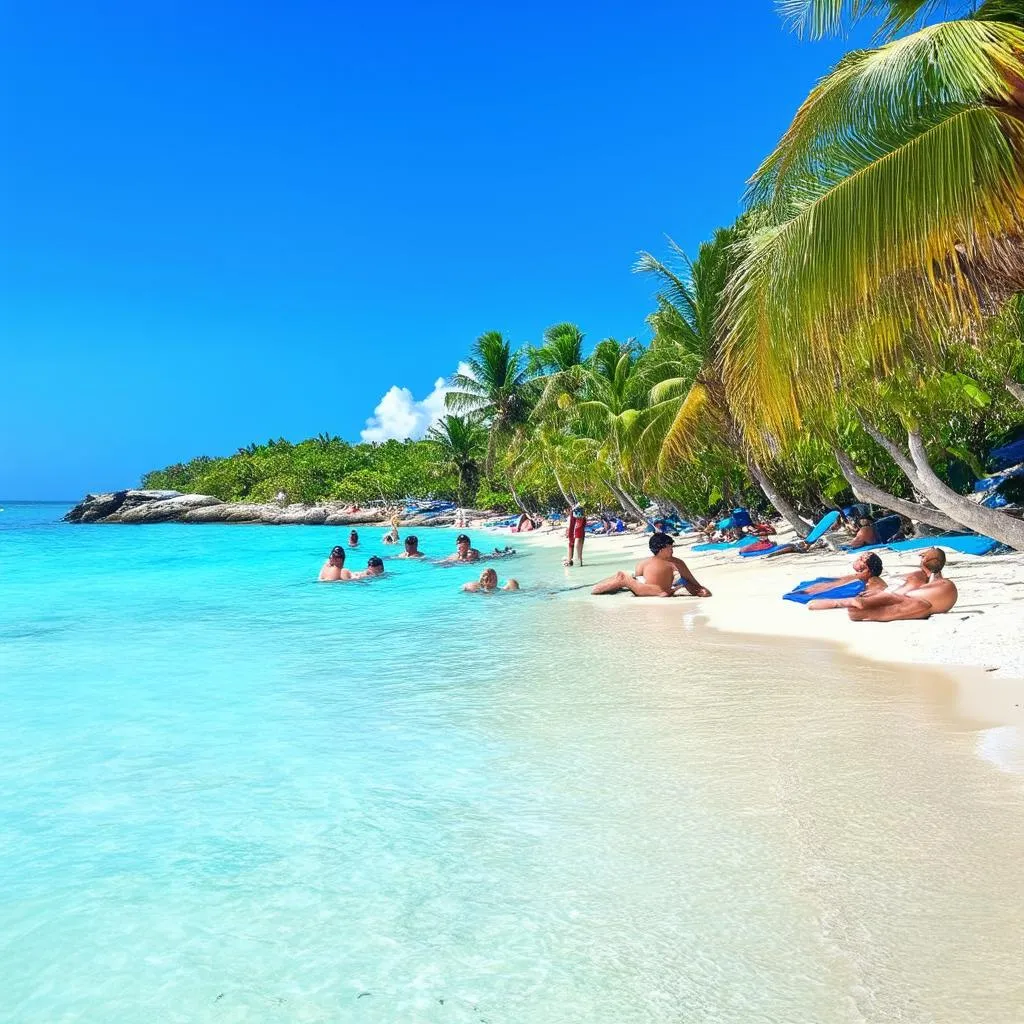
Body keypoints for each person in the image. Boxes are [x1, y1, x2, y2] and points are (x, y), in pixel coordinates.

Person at [848, 548, 958, 621]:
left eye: (924, 555)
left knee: (855, 610)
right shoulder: (933, 579)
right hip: (936, 597)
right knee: (856, 610)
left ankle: (865, 608)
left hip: (927, 600)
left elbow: (900, 594)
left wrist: (882, 592)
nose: (920, 554)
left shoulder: (920, 577)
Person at [591, 533, 712, 597]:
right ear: (661, 549)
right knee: (623, 578)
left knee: (623, 577)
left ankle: (598, 588)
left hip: (646, 590)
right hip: (655, 591)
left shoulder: (645, 563)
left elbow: (692, 582)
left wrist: (700, 590)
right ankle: (601, 587)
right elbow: (691, 580)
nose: (672, 549)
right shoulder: (675, 563)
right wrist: (700, 589)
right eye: (669, 547)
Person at [800, 553, 887, 609]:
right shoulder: (861, 577)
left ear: (866, 567)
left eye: (860, 559)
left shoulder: (871, 579)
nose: (857, 559)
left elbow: (881, 587)